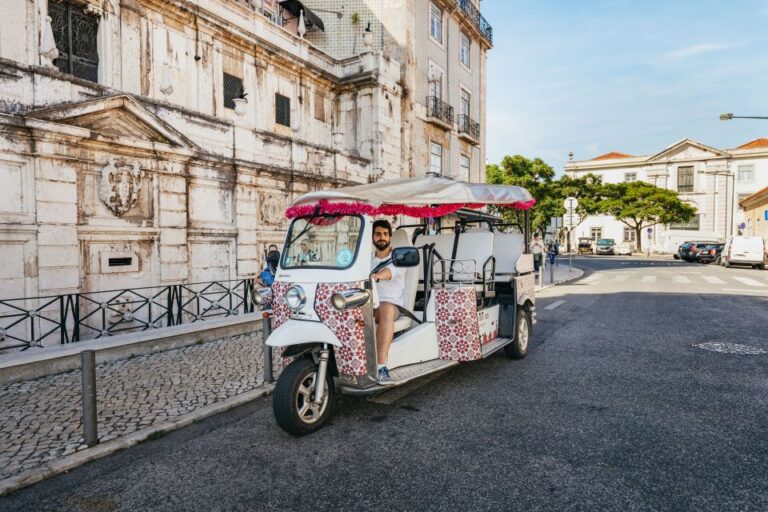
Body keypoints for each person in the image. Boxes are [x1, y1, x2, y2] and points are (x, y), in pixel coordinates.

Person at [370, 219, 405, 383]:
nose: (381, 237)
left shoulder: (398, 258)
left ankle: (381, 366)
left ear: (390, 237)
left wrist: (377, 276)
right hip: (368, 305)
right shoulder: (366, 259)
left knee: (386, 308)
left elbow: (389, 272)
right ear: (372, 238)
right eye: (378, 234)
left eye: (385, 234)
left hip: (392, 307)